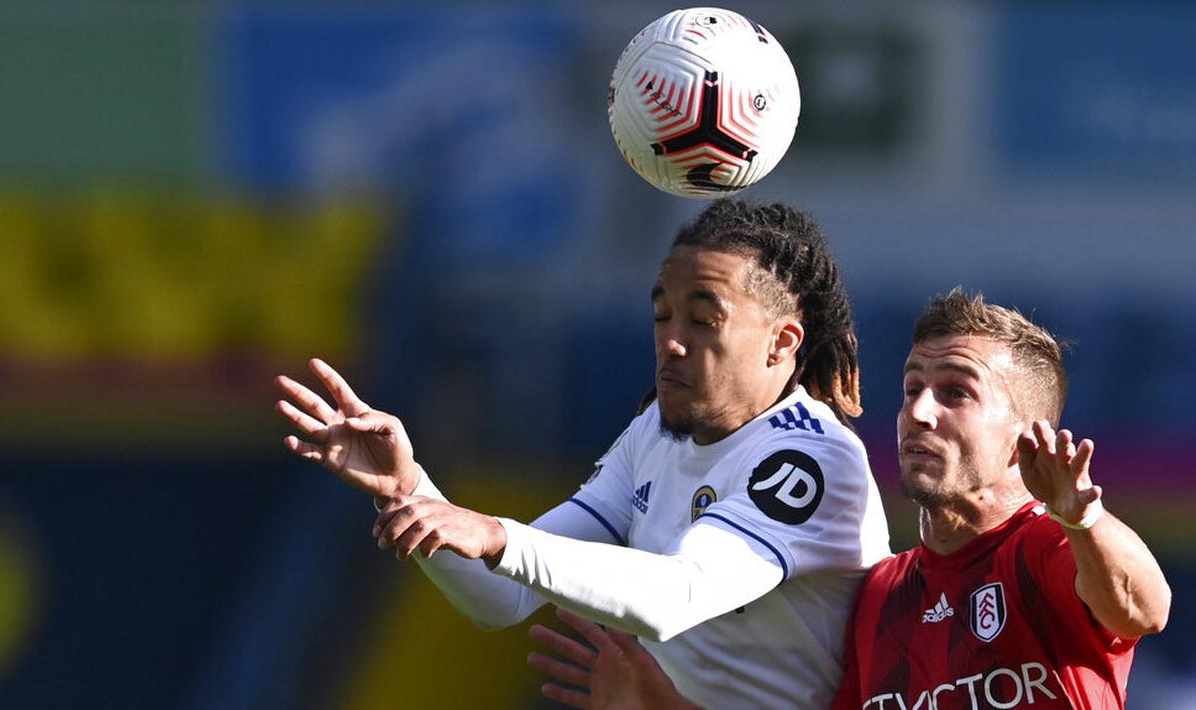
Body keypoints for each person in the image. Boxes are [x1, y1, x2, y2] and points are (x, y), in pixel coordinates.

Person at [275, 198, 892, 708]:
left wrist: (495, 534)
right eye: (662, 315)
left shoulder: (811, 461)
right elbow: (501, 599)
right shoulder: (655, 431)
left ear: (781, 343)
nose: (671, 343)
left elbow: (675, 595)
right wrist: (410, 490)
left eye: (703, 321)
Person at [530, 290, 1171, 709]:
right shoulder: (878, 596)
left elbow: (1145, 608)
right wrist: (660, 703)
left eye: (955, 393)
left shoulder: (1043, 547)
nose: (918, 412)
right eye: (911, 387)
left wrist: (1082, 518)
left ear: (1019, 437)